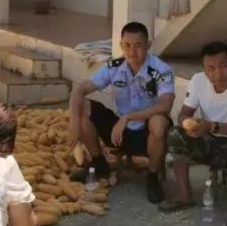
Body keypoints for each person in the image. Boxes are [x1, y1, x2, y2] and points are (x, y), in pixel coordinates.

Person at [67, 21, 175, 204]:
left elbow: (165, 105)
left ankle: (153, 177)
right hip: (120, 130)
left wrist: (128, 117)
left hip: (147, 131)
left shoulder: (161, 70)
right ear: (120, 45)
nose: (132, 51)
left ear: (148, 45)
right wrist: (74, 123)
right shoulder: (114, 66)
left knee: (159, 121)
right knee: (82, 107)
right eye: (127, 46)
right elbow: (79, 88)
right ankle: (99, 163)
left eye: (138, 46)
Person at [162, 41, 227, 214]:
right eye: (211, 68)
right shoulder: (198, 80)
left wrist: (211, 127)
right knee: (175, 134)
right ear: (204, 69)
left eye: (222, 66)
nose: (217, 73)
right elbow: (184, 114)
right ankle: (184, 195)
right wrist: (189, 125)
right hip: (209, 141)